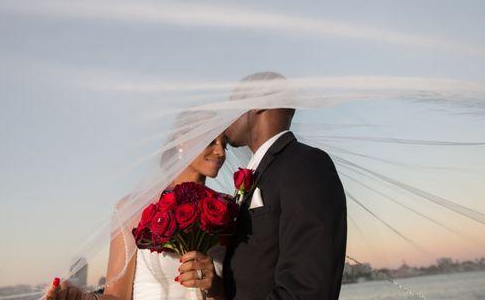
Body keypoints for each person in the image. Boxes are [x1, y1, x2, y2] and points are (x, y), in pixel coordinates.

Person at [46, 111, 228, 300]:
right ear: (181, 140)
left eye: (225, 144)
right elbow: (117, 296)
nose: (221, 152)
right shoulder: (134, 209)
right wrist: (82, 298)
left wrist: (215, 286)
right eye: (210, 140)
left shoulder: (226, 212)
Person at [221, 72, 347, 300]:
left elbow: (307, 287)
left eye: (233, 103)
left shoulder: (305, 165)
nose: (225, 116)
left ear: (258, 105)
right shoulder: (261, 172)